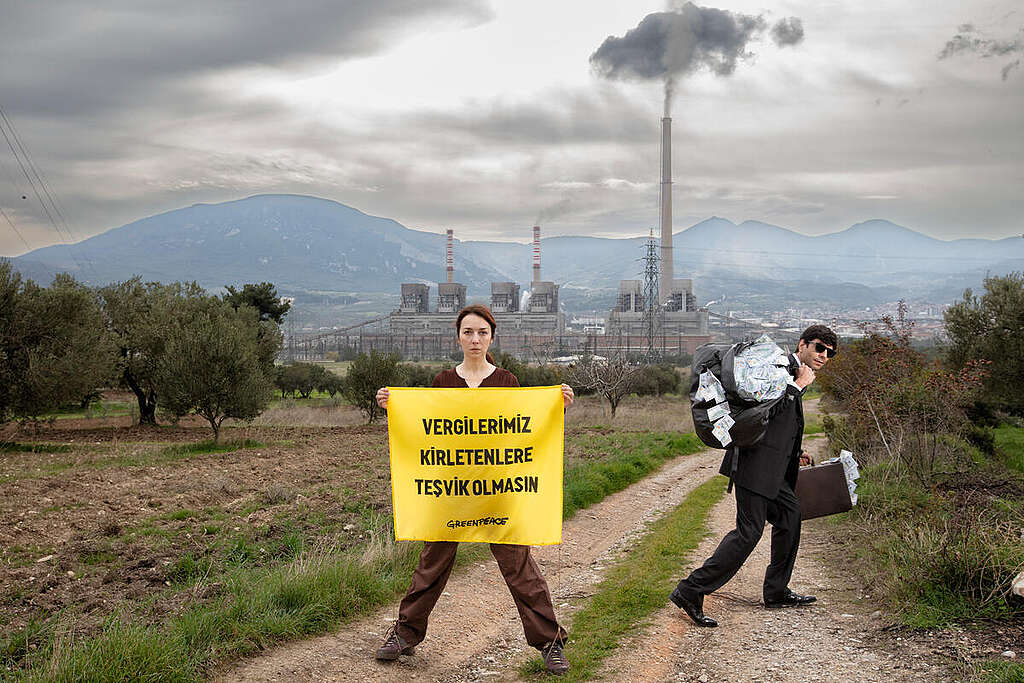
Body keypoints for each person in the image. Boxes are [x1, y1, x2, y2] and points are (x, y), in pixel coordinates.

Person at [373, 303, 575, 675]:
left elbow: (521, 429)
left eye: (482, 332)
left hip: (498, 492)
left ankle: (550, 643)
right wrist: (395, 408)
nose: (475, 339)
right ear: (458, 337)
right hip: (451, 493)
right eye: (468, 332)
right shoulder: (443, 382)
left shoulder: (507, 381)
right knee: (431, 564)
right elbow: (429, 431)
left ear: (491, 337)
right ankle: (404, 634)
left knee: (520, 568)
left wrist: (554, 407)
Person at [670, 325, 838, 628]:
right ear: (802, 344)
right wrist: (797, 386)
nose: (824, 356)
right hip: (754, 466)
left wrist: (795, 452)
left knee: (790, 517)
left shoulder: (792, 372)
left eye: (830, 353)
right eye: (819, 348)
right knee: (748, 533)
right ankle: (690, 590)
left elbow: (775, 420)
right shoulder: (775, 367)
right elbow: (760, 414)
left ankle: (776, 591)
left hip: (774, 468)